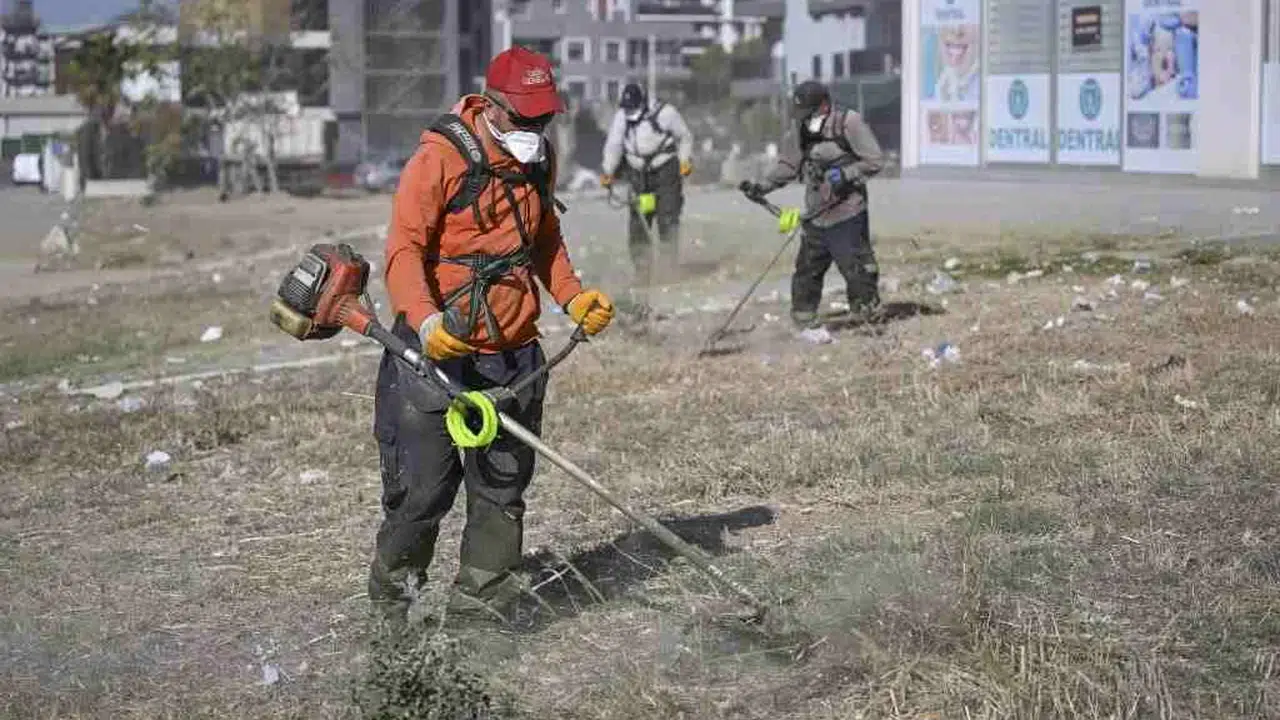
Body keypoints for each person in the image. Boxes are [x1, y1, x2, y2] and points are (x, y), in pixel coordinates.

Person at [374, 46, 616, 627]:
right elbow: (403, 250)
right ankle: (393, 617)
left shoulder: (539, 159)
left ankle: (478, 617)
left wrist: (573, 296)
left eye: (544, 118)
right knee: (422, 494)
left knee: (500, 496)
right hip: (433, 357)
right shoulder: (439, 157)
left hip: (513, 357)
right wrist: (426, 321)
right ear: (491, 104)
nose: (535, 129)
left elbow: (545, 238)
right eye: (524, 117)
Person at [742, 80, 885, 330]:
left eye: (809, 112)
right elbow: (789, 166)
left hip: (847, 210)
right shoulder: (801, 127)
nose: (806, 119)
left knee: (855, 267)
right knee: (807, 271)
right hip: (816, 213)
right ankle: (804, 319)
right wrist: (762, 186)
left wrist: (847, 174)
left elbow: (875, 160)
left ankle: (867, 315)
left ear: (824, 106)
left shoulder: (848, 122)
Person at [599, 83, 695, 291]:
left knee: (667, 218)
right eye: (627, 109)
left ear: (643, 103)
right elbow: (614, 145)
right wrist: (608, 171)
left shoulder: (665, 113)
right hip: (639, 176)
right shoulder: (622, 117)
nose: (630, 113)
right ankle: (642, 270)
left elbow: (685, 137)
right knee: (639, 223)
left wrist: (684, 160)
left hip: (665, 172)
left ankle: (668, 269)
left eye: (634, 108)